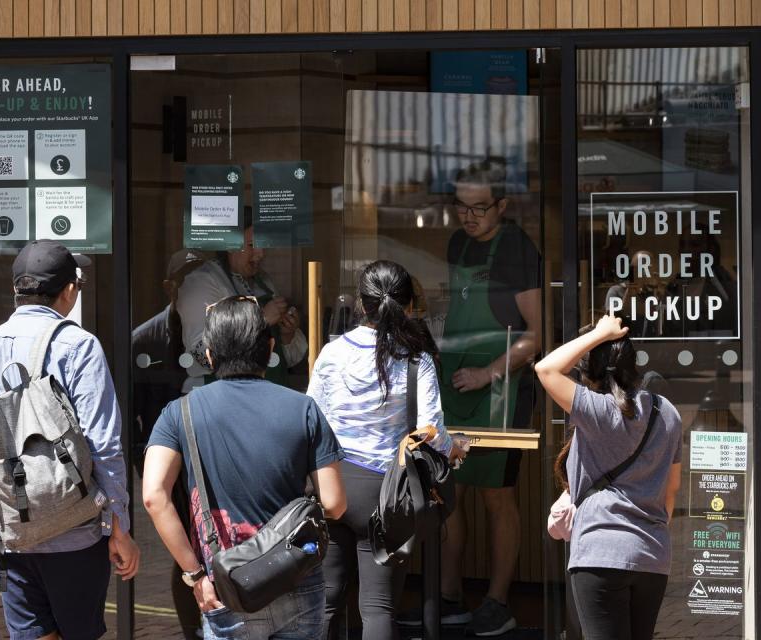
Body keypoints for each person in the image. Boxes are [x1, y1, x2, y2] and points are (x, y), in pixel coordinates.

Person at [0, 240, 140, 640]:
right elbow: (104, 444)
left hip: (12, 539)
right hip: (75, 533)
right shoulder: (80, 347)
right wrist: (118, 524)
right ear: (67, 291)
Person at [142, 296, 347, 640]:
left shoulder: (179, 413)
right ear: (269, 348)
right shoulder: (304, 409)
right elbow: (335, 504)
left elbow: (153, 497)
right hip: (296, 577)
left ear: (209, 355)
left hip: (226, 585)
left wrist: (195, 575)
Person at [410, 159, 541, 634]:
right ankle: (449, 596)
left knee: (497, 499)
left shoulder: (517, 248)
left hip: (501, 393)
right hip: (455, 388)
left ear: (502, 206)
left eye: (479, 208)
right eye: (461, 207)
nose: (468, 217)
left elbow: (536, 334)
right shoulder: (457, 243)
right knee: (448, 494)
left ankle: (498, 602)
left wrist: (487, 372)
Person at [308, 260, 463, 640]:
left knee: (327, 599)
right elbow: (430, 431)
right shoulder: (416, 359)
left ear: (362, 305)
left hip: (334, 483)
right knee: (378, 608)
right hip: (386, 491)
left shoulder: (331, 353)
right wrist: (454, 448)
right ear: (408, 306)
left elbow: (311, 418)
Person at [534, 314, 683, 640]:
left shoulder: (596, 410)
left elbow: (545, 368)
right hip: (652, 556)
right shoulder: (666, 411)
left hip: (600, 552)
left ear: (589, 370)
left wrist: (599, 333)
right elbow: (671, 491)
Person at [131, 248, 206, 640]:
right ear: (170, 288)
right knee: (187, 554)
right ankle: (192, 630)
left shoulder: (219, 334)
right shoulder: (143, 339)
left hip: (212, 457)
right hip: (170, 467)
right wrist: (151, 472)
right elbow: (134, 423)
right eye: (187, 282)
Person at [176, 213, 306, 392]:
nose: (261, 254)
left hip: (268, 395)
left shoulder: (264, 282)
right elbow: (202, 354)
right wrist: (261, 320)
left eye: (263, 245)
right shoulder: (202, 283)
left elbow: (285, 358)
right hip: (218, 396)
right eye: (252, 245)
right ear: (230, 245)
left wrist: (286, 334)